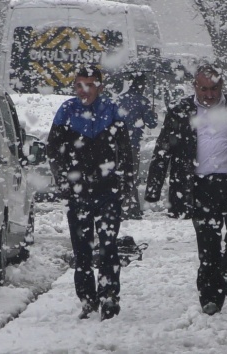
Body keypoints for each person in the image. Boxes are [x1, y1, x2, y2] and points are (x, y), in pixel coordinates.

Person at [144, 64, 227, 315]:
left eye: (214, 88)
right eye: (204, 88)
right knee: (208, 244)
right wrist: (153, 189)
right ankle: (210, 297)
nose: (209, 94)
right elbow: (163, 149)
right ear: (194, 86)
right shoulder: (180, 111)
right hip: (200, 186)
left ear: (222, 85)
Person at [47, 65, 133, 320]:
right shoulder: (66, 111)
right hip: (78, 191)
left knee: (108, 246)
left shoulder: (112, 111)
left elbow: (126, 150)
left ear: (100, 87)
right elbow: (53, 150)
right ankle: (87, 297)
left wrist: (125, 183)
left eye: (90, 85)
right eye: (79, 85)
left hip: (108, 190)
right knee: (82, 249)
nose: (84, 91)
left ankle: (109, 297)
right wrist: (63, 181)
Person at [116, 71, 158, 219]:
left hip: (117, 143)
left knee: (121, 175)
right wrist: (153, 115)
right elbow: (151, 124)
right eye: (144, 83)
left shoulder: (119, 99)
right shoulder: (142, 101)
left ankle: (123, 207)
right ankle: (131, 208)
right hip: (133, 144)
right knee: (131, 175)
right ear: (141, 84)